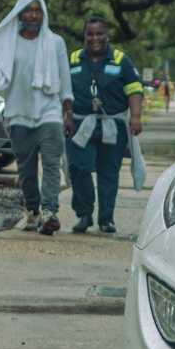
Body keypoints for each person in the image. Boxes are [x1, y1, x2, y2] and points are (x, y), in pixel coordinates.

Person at [0, 0, 72, 234]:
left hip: (49, 112)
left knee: (51, 164)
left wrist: (67, 111)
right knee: (26, 170)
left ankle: (50, 212)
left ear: (43, 15)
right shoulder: (9, 42)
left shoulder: (55, 42)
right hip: (18, 114)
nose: (33, 14)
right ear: (19, 14)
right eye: (28, 10)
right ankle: (33, 210)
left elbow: (64, 77)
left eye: (37, 10)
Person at [65, 13, 145, 234]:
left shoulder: (121, 60)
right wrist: (67, 116)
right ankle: (84, 214)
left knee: (108, 172)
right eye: (90, 34)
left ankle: (106, 218)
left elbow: (134, 89)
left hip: (113, 125)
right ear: (84, 36)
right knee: (79, 168)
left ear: (107, 35)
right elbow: (63, 92)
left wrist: (136, 117)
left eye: (99, 33)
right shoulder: (73, 60)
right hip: (80, 124)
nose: (94, 38)